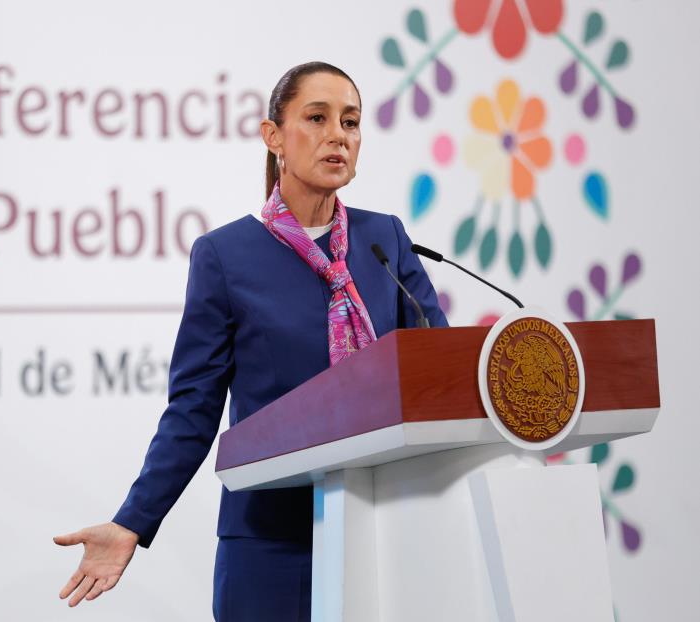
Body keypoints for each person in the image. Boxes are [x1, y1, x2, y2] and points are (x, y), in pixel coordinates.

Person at [53, 61, 448, 621]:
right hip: (271, 544)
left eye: (351, 122)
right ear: (273, 136)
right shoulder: (225, 255)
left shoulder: (386, 240)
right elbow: (193, 409)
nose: (338, 135)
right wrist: (131, 521)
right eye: (317, 118)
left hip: (389, 528)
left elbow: (440, 371)